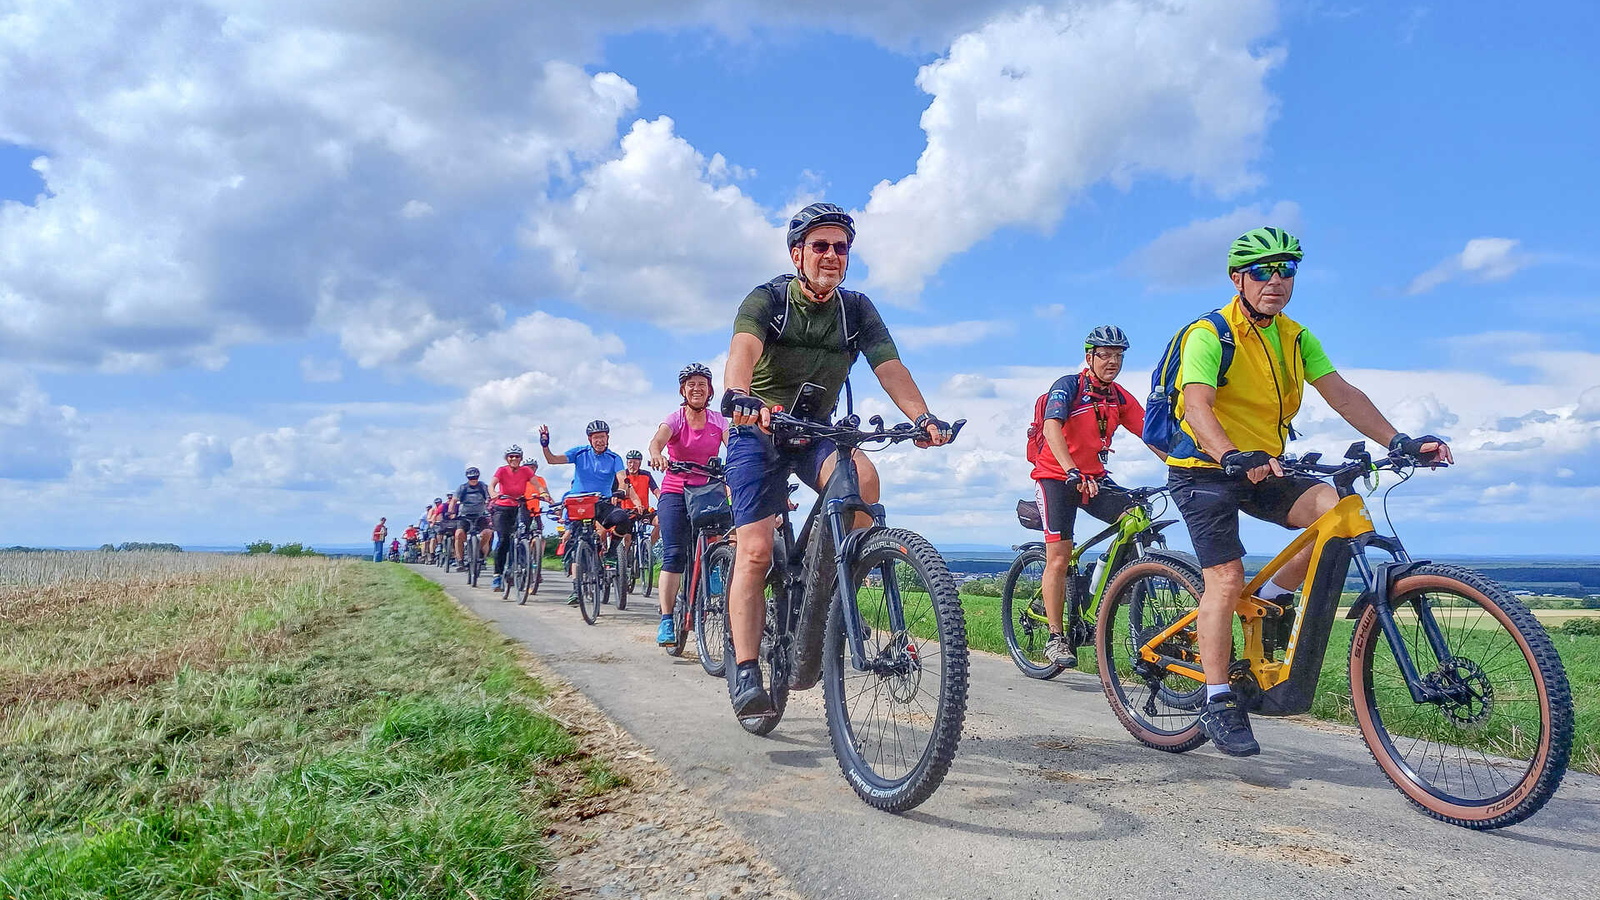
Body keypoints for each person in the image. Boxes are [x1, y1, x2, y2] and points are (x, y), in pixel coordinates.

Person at [1165, 226, 1453, 758]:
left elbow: (1342, 394)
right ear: (1237, 279)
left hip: (1265, 466)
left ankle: (1274, 598)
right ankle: (1218, 698)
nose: (1274, 281)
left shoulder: (1297, 338)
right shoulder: (1209, 334)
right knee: (1226, 578)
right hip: (1205, 470)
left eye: (1286, 270)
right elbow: (1198, 404)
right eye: (1261, 271)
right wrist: (1229, 454)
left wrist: (1401, 441)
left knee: (1334, 510)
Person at [720, 202, 954, 719]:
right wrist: (741, 396)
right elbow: (743, 350)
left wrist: (923, 417)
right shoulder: (769, 299)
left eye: (841, 248)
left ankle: (833, 580)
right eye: (820, 246)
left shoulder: (856, 310)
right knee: (755, 552)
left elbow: (889, 366)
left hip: (815, 431)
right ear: (797, 253)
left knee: (864, 478)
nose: (832, 255)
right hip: (758, 431)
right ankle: (747, 670)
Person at [1030, 325, 1162, 667]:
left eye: (1118, 356)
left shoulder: (1118, 397)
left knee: (1136, 516)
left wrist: (1184, 464)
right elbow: (1052, 427)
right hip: (1056, 478)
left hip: (1094, 479)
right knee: (1059, 557)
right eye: (1105, 354)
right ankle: (1056, 638)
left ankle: (1102, 583)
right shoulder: (1068, 387)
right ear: (1089, 357)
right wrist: (1071, 470)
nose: (1112, 362)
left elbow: (1150, 434)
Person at [647, 363, 728, 647]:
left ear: (710, 390)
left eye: (702, 384)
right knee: (674, 555)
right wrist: (657, 455)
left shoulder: (719, 421)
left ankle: (713, 569)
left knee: (721, 538)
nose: (697, 388)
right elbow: (657, 442)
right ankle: (667, 619)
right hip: (676, 491)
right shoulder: (676, 419)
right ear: (683, 390)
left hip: (708, 490)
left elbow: (733, 446)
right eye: (691, 384)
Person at [539, 420, 639, 604]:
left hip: (601, 503)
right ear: (589, 439)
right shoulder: (580, 453)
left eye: (602, 437)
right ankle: (576, 590)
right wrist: (545, 445)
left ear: (607, 438)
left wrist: (621, 489)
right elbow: (552, 459)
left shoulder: (614, 458)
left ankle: (611, 553)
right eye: (596, 437)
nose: (599, 440)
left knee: (623, 519)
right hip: (579, 504)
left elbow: (622, 478)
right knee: (577, 544)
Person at [490, 445, 538, 591]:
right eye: (511, 456)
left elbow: (537, 484)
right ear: (507, 458)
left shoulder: (526, 471)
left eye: (517, 456)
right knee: (504, 539)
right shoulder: (502, 470)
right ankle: (497, 575)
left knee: (523, 535)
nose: (514, 459)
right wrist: (493, 493)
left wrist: (544, 493)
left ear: (521, 458)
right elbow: (492, 485)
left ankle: (518, 565)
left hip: (519, 506)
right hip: (502, 507)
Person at [453, 467, 493, 568]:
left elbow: (490, 497)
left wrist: (491, 507)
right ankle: (460, 561)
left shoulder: (483, 487)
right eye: (471, 478)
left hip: (480, 515)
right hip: (464, 516)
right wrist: (451, 512)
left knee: (488, 532)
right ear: (467, 478)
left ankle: (479, 551)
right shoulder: (463, 488)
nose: (473, 480)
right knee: (458, 534)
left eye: (475, 477)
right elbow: (454, 500)